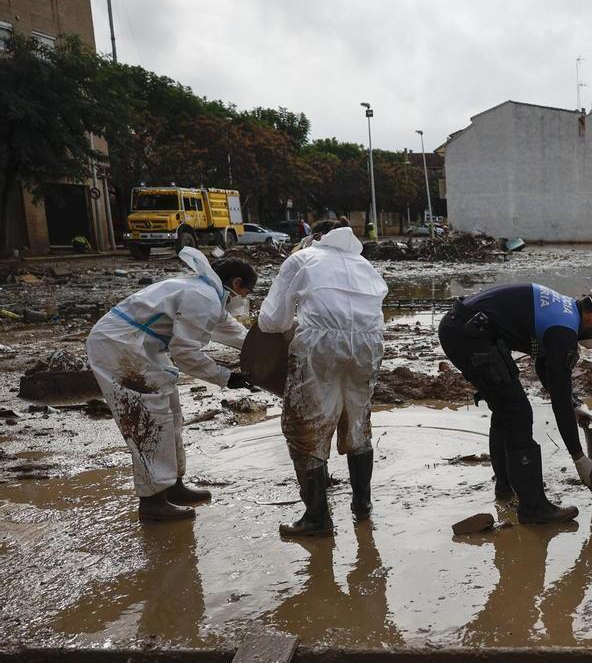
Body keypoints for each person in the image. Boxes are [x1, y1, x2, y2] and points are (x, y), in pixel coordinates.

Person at [86, 248, 255, 522]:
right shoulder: (202, 297)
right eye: (247, 292)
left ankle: (173, 486)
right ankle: (152, 501)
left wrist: (264, 349)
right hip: (119, 346)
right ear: (237, 284)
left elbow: (235, 333)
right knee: (149, 421)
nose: (244, 299)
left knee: (172, 414)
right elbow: (186, 354)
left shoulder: (207, 295)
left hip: (139, 347)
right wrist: (227, 378)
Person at [437, 283, 592, 524]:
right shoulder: (563, 331)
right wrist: (579, 458)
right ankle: (534, 507)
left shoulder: (565, 310)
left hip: (464, 327)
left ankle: (506, 486)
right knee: (518, 413)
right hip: (468, 334)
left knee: (506, 408)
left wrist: (573, 404)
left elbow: (543, 365)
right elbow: (558, 399)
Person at [258, 225, 389, 537]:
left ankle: (317, 517)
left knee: (305, 427)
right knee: (357, 421)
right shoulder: (364, 264)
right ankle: (362, 505)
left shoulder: (302, 259)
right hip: (370, 344)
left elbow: (270, 321)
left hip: (319, 344)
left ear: (314, 238)